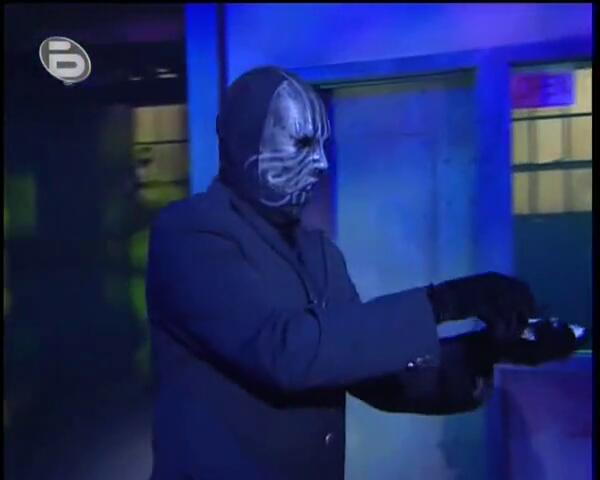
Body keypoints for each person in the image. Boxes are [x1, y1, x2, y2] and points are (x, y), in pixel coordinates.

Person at [145, 66, 576, 480]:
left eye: (322, 146)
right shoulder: (190, 234)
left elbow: (369, 373)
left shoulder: (319, 253)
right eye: (302, 142)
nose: (321, 163)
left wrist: (485, 351)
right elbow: (283, 352)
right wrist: (446, 302)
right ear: (243, 143)